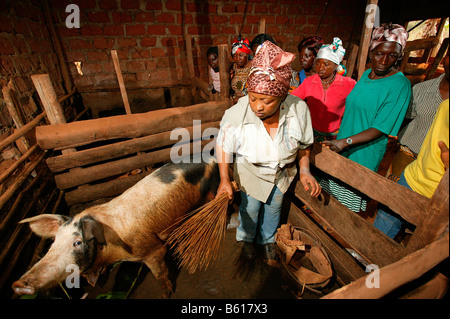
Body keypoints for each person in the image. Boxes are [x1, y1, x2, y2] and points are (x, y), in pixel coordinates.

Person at [215, 41, 321, 264]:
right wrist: (224, 178)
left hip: (282, 174)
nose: (257, 106)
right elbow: (224, 146)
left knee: (274, 209)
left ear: (282, 97)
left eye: (266, 100)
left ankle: (268, 241)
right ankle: (247, 239)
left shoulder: (298, 109)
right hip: (251, 174)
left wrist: (304, 170)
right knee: (250, 209)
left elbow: (304, 145)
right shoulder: (237, 113)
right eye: (253, 98)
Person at [321, 23, 411, 213]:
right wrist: (340, 139)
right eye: (379, 54)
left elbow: (381, 127)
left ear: (399, 56)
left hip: (363, 154)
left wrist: (346, 142)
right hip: (342, 146)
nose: (384, 60)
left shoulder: (400, 85)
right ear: (371, 53)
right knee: (329, 202)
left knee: (345, 210)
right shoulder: (366, 75)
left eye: (392, 55)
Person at [373, 98, 449, 239]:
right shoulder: (445, 104)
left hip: (441, 195)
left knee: (426, 248)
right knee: (380, 233)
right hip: (412, 177)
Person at [388, 51, 449, 179]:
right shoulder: (422, 89)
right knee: (392, 193)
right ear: (445, 58)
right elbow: (405, 119)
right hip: (408, 155)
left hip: (439, 168)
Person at [291, 37, 356, 142]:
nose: (320, 68)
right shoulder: (309, 82)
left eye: (326, 64)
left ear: (336, 65)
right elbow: (291, 99)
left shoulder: (348, 84)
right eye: (318, 63)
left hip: (337, 138)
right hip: (312, 135)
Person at [230, 36, 252, 104]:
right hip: (235, 103)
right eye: (235, 56)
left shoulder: (253, 67)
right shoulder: (233, 67)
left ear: (247, 55)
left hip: (250, 103)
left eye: (241, 55)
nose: (238, 59)